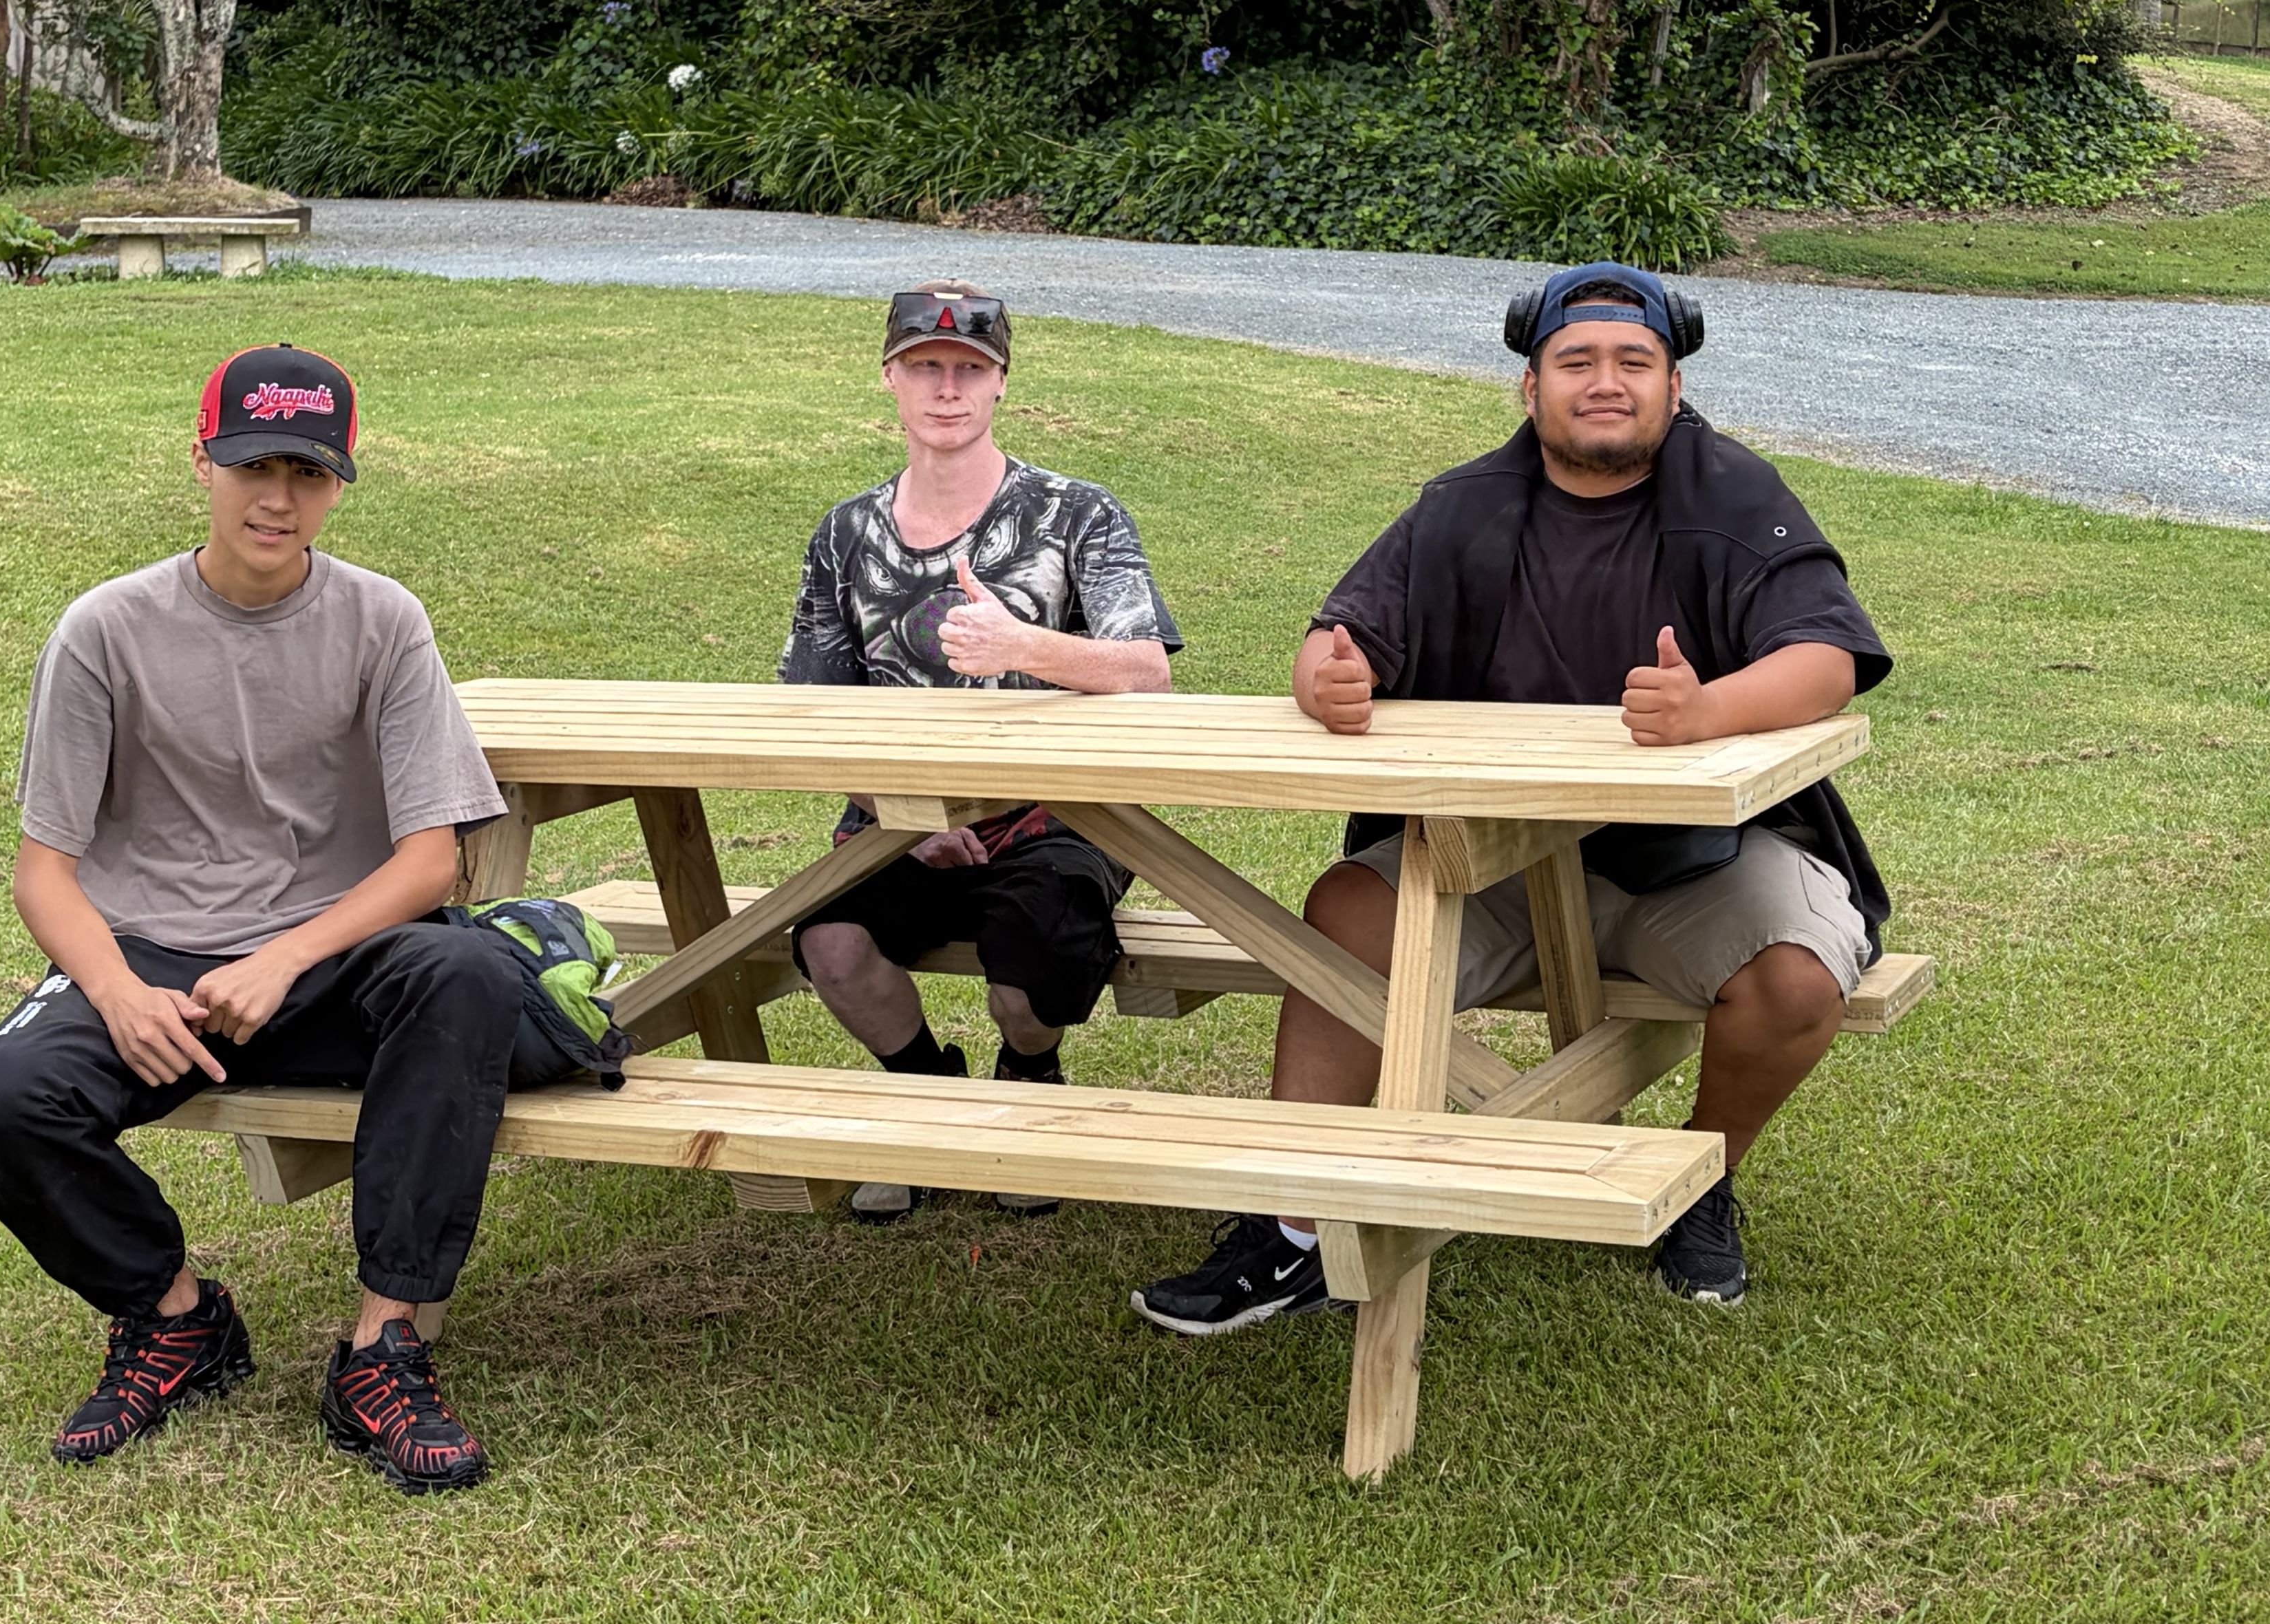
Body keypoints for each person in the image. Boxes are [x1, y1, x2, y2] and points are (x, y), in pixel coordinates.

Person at [1129, 263, 1891, 1332]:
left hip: (1700, 866)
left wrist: (1707, 710)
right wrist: (1328, 683)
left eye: (1636, 361)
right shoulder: (1461, 508)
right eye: (1576, 361)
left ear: (1675, 388)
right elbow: (1332, 645)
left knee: (1800, 980)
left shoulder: (1735, 495)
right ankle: (1295, 1224)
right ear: (1529, 391)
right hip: (1491, 863)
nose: (1607, 381)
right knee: (1349, 912)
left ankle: (1704, 1182)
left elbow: (1830, 657)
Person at [0, 344, 521, 1493]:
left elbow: (432, 860)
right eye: (254, 463)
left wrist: (289, 955)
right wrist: (115, 991)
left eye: (310, 471)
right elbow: (45, 872)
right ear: (200, 460)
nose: (279, 496)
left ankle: (382, 1346)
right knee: (1, 1099)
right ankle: (175, 1316)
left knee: (469, 980)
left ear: (340, 482)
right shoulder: (105, 630)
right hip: (156, 955)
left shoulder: (384, 621)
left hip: (332, 949)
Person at [781, 282, 1180, 1220]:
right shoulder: (847, 534)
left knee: (1029, 971)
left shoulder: (1077, 513)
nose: (948, 388)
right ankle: (931, 1098)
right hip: (895, 820)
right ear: (890, 378)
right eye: (927, 367)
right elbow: (813, 706)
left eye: (971, 369)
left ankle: (1026, 1078)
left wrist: (1023, 648)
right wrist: (898, 814)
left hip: (1059, 815)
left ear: (1002, 384)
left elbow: (1147, 670)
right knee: (828, 943)